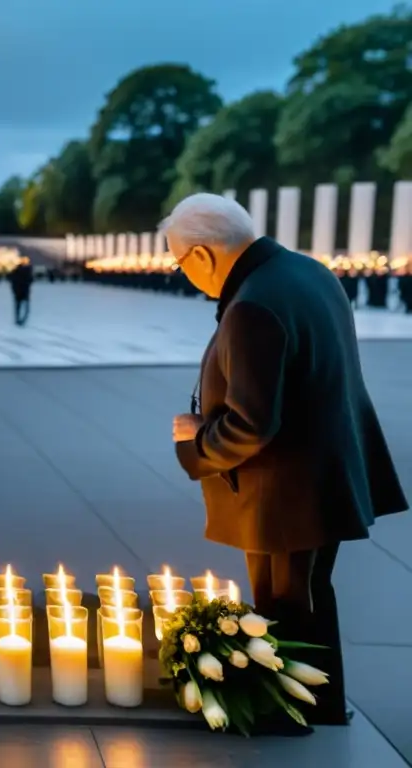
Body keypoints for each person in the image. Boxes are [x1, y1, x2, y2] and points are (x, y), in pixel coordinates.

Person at [166, 194, 407, 729]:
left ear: (203, 255)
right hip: (325, 475)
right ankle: (319, 705)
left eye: (180, 263)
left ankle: (293, 712)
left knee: (285, 604)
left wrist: (197, 442)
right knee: (309, 595)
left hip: (282, 492)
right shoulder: (308, 273)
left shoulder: (253, 302)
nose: (185, 275)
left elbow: (252, 423)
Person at [9, 256, 34, 326]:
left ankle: (18, 319)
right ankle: (20, 320)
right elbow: (30, 280)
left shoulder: (16, 270)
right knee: (25, 308)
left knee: (19, 307)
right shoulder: (27, 271)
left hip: (19, 292)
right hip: (23, 291)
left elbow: (12, 279)